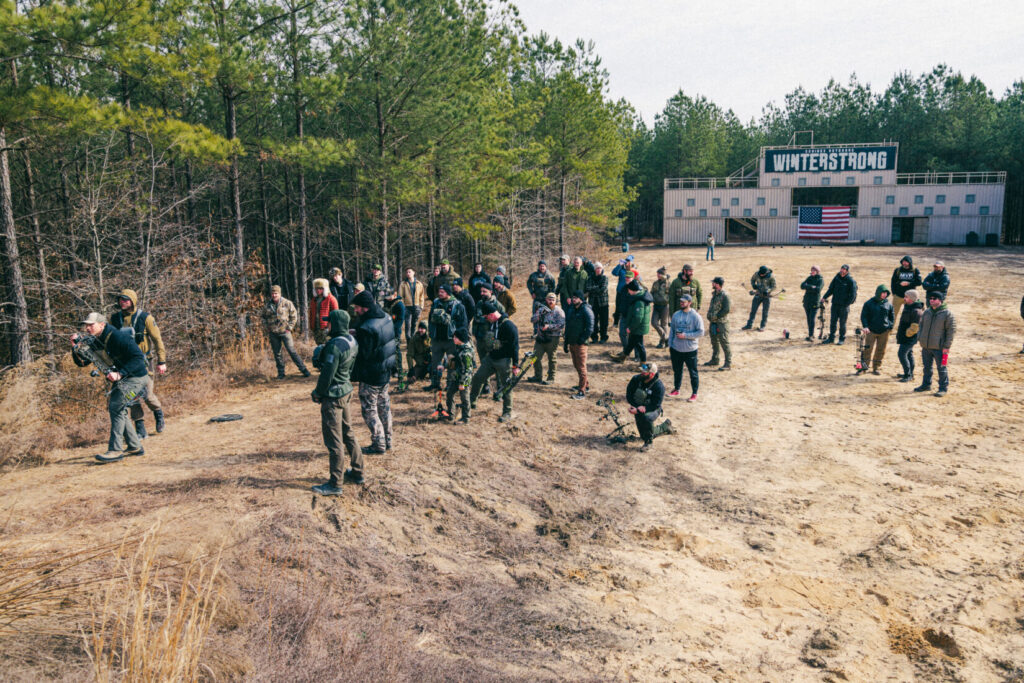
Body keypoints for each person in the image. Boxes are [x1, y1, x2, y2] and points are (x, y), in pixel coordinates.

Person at [71, 312, 149, 463]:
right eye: (86, 325)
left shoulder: (118, 337)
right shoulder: (96, 340)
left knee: (115, 406)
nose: (87, 328)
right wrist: (75, 348)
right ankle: (134, 446)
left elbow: (139, 359)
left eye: (91, 325)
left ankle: (115, 450)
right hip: (125, 377)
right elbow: (82, 362)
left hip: (136, 377)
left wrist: (120, 373)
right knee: (117, 408)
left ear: (102, 324)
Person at [310, 309, 362, 496]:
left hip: (333, 397)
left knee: (334, 441)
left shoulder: (334, 346)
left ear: (336, 324)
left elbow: (327, 375)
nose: (326, 325)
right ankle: (357, 472)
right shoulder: (352, 341)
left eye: (329, 322)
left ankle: (335, 483)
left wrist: (318, 393)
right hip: (346, 390)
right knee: (348, 433)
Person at [110, 289, 168, 437]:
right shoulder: (115, 319)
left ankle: (158, 414)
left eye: (126, 299)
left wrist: (162, 361)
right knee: (131, 396)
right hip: (125, 363)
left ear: (133, 301)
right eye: (121, 299)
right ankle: (140, 426)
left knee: (148, 394)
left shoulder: (145, 318)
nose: (123, 302)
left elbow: (157, 339)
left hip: (143, 361)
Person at [351, 290, 397, 454]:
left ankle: (378, 444)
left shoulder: (367, 328)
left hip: (371, 375)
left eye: (357, 307)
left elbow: (365, 354)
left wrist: (356, 338)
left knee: (370, 410)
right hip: (385, 371)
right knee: (384, 406)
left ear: (365, 308)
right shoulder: (385, 317)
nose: (355, 310)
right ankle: (388, 440)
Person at [469, 301, 520, 423]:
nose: (486, 319)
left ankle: (507, 412)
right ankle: (471, 403)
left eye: (486, 317)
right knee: (478, 378)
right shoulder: (492, 324)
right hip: (491, 358)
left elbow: (515, 346)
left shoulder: (509, 326)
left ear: (492, 314)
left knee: (506, 386)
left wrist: (515, 365)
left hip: (504, 360)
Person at [262, 284, 311, 380]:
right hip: (273, 333)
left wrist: (290, 327)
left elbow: (294, 316)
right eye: (272, 293)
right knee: (277, 354)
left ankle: (304, 370)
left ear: (279, 294)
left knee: (292, 351)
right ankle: (281, 373)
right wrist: (266, 327)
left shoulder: (287, 303)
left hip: (285, 332)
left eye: (276, 293)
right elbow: (263, 318)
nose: (274, 295)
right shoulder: (268, 305)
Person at [425, 284, 468, 391]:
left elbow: (463, 324)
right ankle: (435, 383)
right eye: (439, 291)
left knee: (452, 364)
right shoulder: (435, 303)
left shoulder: (458, 305)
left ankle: (450, 385)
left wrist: (459, 338)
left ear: (448, 293)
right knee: (435, 362)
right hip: (437, 339)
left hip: (451, 340)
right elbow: (430, 319)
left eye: (442, 292)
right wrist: (430, 333)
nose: (439, 293)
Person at [914, 291, 956, 397]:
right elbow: (921, 325)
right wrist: (920, 337)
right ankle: (926, 385)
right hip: (926, 346)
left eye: (934, 298)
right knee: (926, 367)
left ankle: (943, 388)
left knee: (941, 368)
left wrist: (946, 346)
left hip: (940, 347)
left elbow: (951, 331)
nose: (931, 300)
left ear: (940, 300)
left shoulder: (947, 314)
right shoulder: (927, 312)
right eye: (930, 298)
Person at [626, 362, 674, 452]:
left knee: (646, 418)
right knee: (643, 435)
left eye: (645, 372)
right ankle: (665, 426)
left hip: (653, 409)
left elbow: (656, 404)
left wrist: (644, 409)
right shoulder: (636, 379)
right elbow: (629, 395)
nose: (642, 373)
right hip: (638, 407)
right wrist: (636, 407)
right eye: (642, 370)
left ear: (652, 374)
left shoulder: (659, 386)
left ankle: (649, 443)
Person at [668, 293, 704, 400]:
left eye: (684, 302)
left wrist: (686, 336)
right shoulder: (676, 315)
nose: (681, 303)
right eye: (680, 301)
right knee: (677, 370)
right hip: (676, 349)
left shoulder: (696, 316)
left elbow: (701, 332)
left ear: (690, 303)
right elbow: (672, 331)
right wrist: (670, 345)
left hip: (690, 350)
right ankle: (676, 389)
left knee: (693, 372)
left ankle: (694, 393)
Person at [471, 283, 506, 395]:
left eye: (484, 291)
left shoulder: (498, 305)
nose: (482, 293)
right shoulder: (479, 304)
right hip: (481, 339)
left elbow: (503, 322)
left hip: (493, 340)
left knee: (497, 364)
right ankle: (485, 386)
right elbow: (476, 319)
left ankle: (500, 388)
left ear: (490, 292)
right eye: (481, 291)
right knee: (483, 363)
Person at [611, 279, 653, 363]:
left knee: (639, 345)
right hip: (637, 327)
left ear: (632, 290)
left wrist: (630, 327)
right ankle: (623, 357)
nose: (628, 292)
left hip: (638, 328)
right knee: (631, 343)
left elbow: (638, 318)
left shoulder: (639, 301)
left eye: (629, 290)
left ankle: (643, 363)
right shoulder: (638, 297)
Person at [528, 292, 564, 385]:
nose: (551, 301)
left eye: (553, 300)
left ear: (556, 301)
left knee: (552, 358)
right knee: (534, 357)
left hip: (553, 338)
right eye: (549, 299)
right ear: (546, 300)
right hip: (540, 337)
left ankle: (551, 378)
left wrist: (549, 327)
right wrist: (539, 314)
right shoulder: (542, 309)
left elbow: (561, 325)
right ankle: (537, 376)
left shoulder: (559, 311)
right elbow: (532, 320)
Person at [564, 291, 594, 399]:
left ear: (581, 299)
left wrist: (582, 339)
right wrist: (566, 342)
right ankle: (585, 385)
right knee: (576, 365)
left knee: (581, 367)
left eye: (576, 298)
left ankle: (582, 391)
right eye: (573, 297)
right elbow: (568, 326)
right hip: (572, 342)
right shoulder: (571, 309)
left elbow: (590, 327)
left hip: (580, 344)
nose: (573, 299)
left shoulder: (586, 310)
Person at [858, 285, 895, 375]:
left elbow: (892, 316)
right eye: (883, 293)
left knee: (881, 350)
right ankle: (864, 367)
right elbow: (864, 316)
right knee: (867, 349)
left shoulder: (889, 304)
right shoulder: (869, 303)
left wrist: (890, 326)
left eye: (886, 293)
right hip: (871, 331)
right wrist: (865, 326)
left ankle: (876, 367)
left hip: (884, 331)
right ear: (878, 293)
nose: (884, 295)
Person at [445, 328, 476, 424]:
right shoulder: (460, 347)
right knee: (449, 393)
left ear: (460, 339)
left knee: (465, 398)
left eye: (455, 337)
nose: (453, 339)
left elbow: (467, 369)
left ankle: (466, 418)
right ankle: (451, 414)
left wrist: (463, 383)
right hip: (457, 376)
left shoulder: (465, 352)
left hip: (464, 379)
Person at [821, 264, 858, 344]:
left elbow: (853, 295)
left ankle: (841, 339)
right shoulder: (836, 278)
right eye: (841, 269)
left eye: (844, 269)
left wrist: (847, 304)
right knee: (833, 322)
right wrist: (824, 297)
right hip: (835, 304)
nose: (842, 270)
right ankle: (831, 338)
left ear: (847, 271)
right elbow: (831, 289)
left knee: (842, 323)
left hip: (844, 306)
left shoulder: (850, 281)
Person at [895, 290, 924, 382]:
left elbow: (915, 327)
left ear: (911, 298)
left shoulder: (916, 311)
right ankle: (909, 373)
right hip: (905, 336)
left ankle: (908, 375)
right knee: (909, 354)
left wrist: (907, 334)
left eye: (906, 297)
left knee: (902, 354)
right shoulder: (908, 306)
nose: (904, 298)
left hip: (909, 338)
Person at [705, 277, 731, 370]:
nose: (712, 284)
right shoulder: (715, 294)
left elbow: (726, 309)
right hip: (713, 322)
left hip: (722, 323)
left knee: (724, 342)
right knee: (714, 341)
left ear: (717, 284)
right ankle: (715, 359)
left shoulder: (725, 295)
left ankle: (728, 363)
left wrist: (717, 316)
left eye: (713, 283)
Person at [743, 266, 776, 331]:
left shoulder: (771, 277)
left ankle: (762, 326)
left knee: (765, 312)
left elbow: (774, 286)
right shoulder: (756, 274)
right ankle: (749, 325)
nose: (761, 275)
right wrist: (753, 285)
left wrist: (768, 291)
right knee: (753, 311)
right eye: (760, 274)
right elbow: (752, 280)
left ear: (766, 273)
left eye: (762, 274)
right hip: (758, 294)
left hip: (766, 296)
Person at [889, 256, 922, 322]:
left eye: (906, 262)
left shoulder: (915, 270)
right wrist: (894, 293)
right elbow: (893, 282)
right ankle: (890, 329)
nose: (904, 264)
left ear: (910, 263)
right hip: (898, 295)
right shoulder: (897, 270)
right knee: (893, 314)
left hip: (910, 297)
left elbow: (919, 282)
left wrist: (909, 283)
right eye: (903, 262)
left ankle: (906, 330)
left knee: (909, 314)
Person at [384, 289, 406, 388]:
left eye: (389, 296)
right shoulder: (387, 302)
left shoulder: (400, 305)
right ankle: (390, 372)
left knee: (396, 353)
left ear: (395, 294)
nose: (388, 298)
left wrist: (391, 330)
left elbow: (400, 321)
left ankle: (400, 374)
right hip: (385, 332)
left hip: (394, 333)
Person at [399, 267, 426, 341]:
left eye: (409, 272)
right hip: (407, 307)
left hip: (417, 307)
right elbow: (400, 296)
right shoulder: (403, 284)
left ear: (414, 272)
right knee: (408, 325)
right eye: (407, 272)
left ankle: (413, 341)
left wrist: (421, 307)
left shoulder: (419, 283)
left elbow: (422, 296)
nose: (408, 273)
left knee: (414, 324)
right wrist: (403, 306)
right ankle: (408, 341)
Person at [309, 278, 338, 344]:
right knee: (318, 345)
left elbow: (335, 315)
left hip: (326, 328)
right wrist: (311, 325)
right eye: (316, 288)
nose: (318, 290)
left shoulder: (331, 299)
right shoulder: (314, 300)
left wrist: (330, 327)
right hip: (316, 328)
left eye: (321, 288)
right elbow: (311, 313)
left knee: (327, 345)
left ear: (325, 288)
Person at [586, 262, 609, 344]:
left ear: (602, 269)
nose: (598, 270)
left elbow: (603, 290)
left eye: (600, 268)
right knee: (594, 321)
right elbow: (588, 288)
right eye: (597, 268)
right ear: (594, 269)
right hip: (593, 303)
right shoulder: (590, 278)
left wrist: (594, 289)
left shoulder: (605, 278)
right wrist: (597, 288)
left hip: (603, 303)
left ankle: (603, 337)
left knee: (604, 322)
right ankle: (594, 337)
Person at [800, 266, 824, 341]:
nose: (812, 272)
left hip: (815, 302)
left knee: (812, 318)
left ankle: (811, 335)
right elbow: (802, 286)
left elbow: (818, 289)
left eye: (814, 270)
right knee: (808, 319)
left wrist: (808, 287)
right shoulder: (809, 278)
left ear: (817, 271)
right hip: (807, 302)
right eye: (811, 270)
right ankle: (810, 334)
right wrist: (811, 287)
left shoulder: (820, 280)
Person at [650, 267, 671, 349]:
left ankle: (662, 343)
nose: (658, 275)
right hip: (656, 306)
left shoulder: (669, 284)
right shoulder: (655, 283)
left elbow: (671, 295)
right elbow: (651, 293)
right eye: (657, 273)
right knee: (654, 323)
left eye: (659, 274)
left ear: (663, 275)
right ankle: (666, 338)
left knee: (664, 325)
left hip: (665, 306)